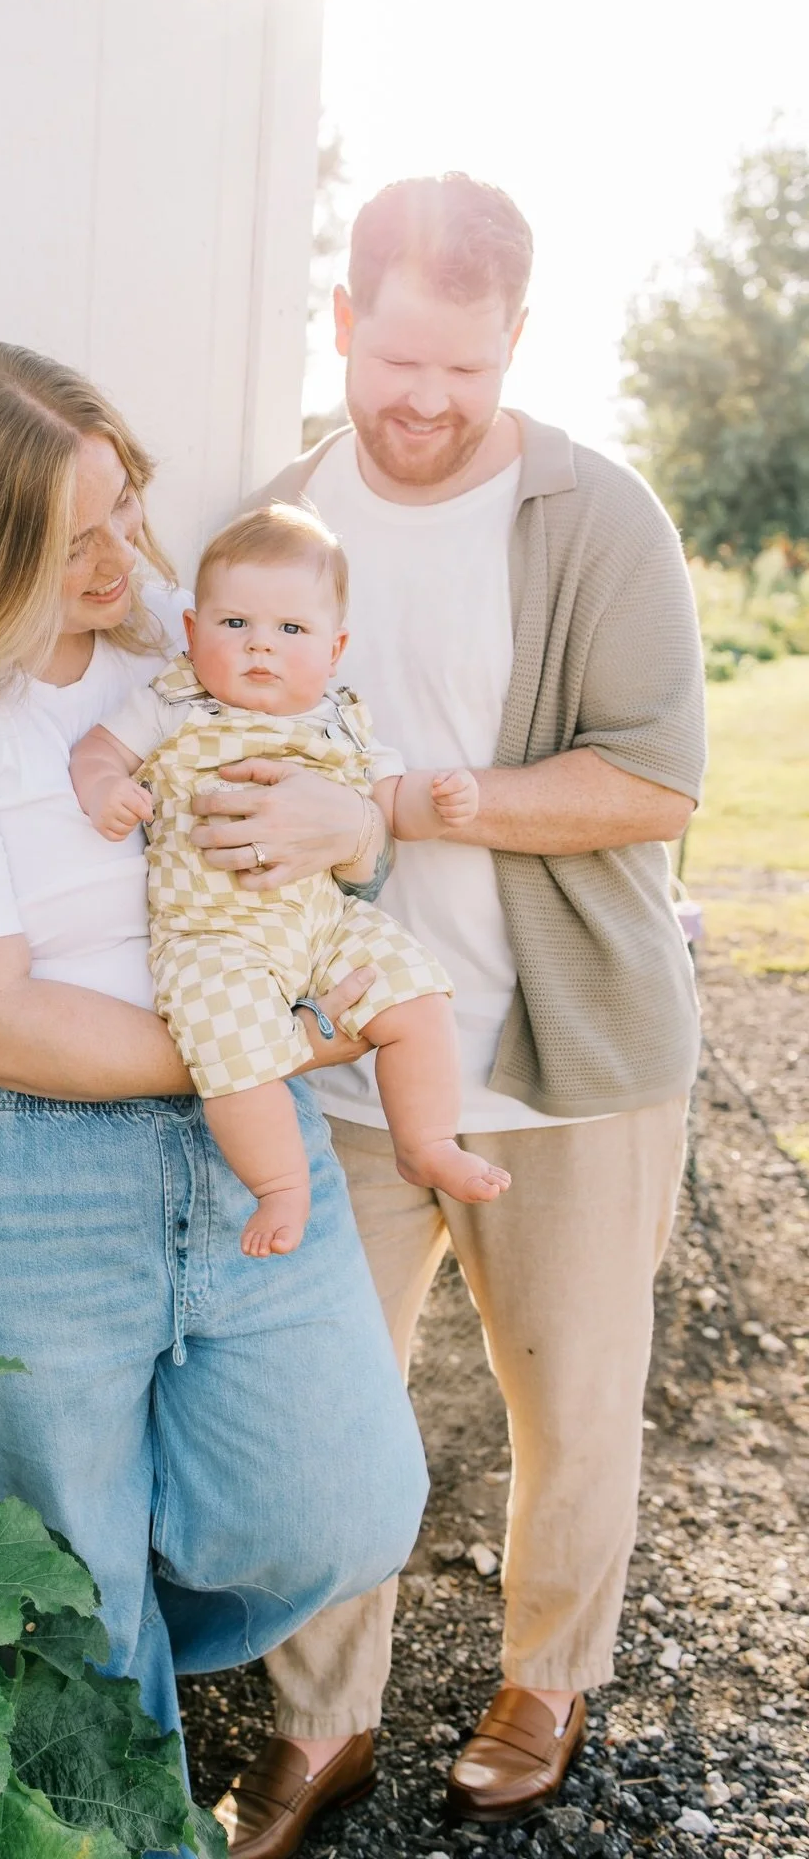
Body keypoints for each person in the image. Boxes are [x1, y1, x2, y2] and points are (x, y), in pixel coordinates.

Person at [0, 339, 429, 1753]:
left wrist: (358, 830)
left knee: (338, 1508)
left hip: (233, 1127)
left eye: (126, 506)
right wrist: (270, 1049)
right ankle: (114, 1771)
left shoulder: (172, 628)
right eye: (73, 542)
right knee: (65, 1604)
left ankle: (123, 1660)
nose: (126, 558)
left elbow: (330, 782)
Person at [203, 175, 705, 1847]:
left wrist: (397, 808)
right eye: (398, 359)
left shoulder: (595, 515)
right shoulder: (277, 521)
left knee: (572, 1399)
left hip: (568, 1060)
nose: (425, 402)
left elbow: (650, 784)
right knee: (324, 1408)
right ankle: (319, 1727)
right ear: (344, 323)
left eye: (466, 373)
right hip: (337, 1064)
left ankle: (546, 1678)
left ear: (515, 349)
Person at [70, 503, 509, 1259]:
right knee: (229, 1041)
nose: (261, 648)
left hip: (324, 922)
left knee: (416, 991)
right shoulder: (174, 703)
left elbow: (387, 809)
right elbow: (95, 752)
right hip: (214, 935)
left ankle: (427, 1139)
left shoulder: (343, 720)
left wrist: (438, 804)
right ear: (192, 631)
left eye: (291, 632)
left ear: (335, 649)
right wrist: (109, 789)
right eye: (235, 625)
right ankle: (281, 1184)